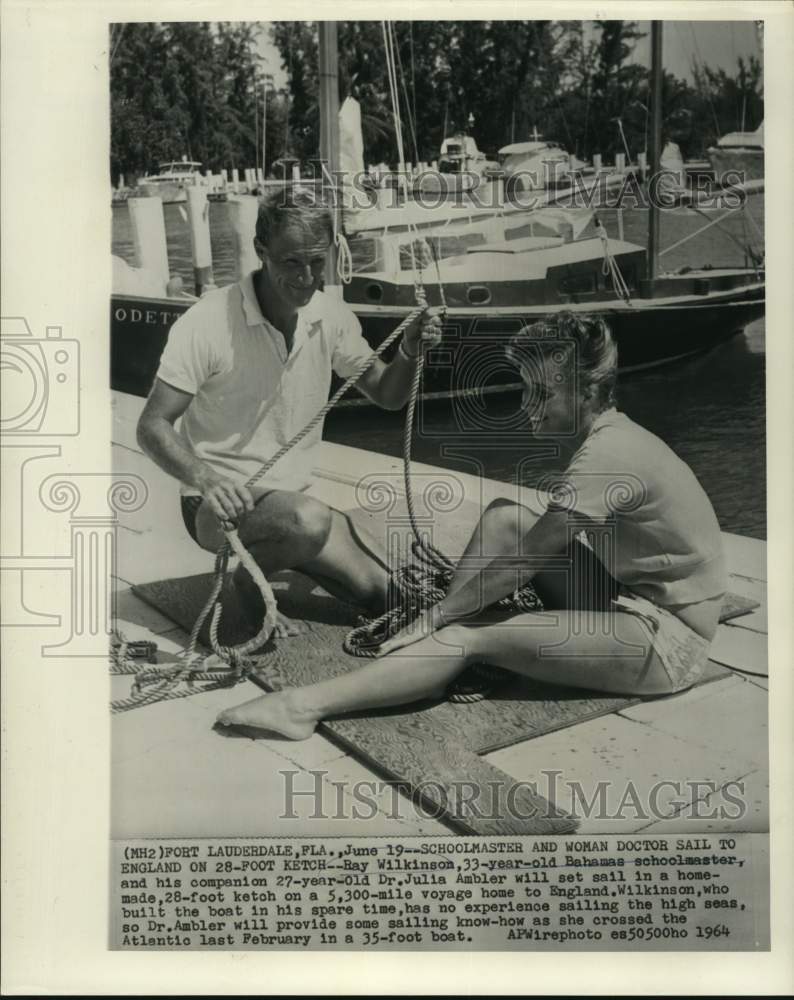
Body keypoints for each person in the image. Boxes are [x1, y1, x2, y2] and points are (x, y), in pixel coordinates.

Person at [216, 311, 727, 739]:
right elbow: (523, 544)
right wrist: (447, 612)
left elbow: (522, 566)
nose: (528, 405)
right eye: (525, 388)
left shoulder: (608, 456)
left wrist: (439, 617)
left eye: (543, 393)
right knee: (506, 516)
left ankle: (302, 708)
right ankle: (436, 656)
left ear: (590, 391)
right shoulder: (611, 435)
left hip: (668, 644)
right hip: (625, 600)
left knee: (469, 635)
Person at [136, 185, 441, 636]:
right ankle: (244, 581)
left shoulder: (331, 316)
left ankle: (290, 552)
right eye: (291, 262)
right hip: (212, 505)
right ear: (261, 250)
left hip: (291, 505)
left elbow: (388, 394)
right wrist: (206, 478)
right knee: (310, 520)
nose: (305, 277)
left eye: (317, 262)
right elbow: (152, 426)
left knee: (395, 596)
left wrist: (411, 352)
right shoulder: (206, 322)